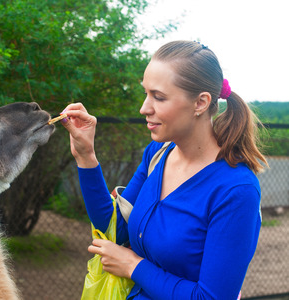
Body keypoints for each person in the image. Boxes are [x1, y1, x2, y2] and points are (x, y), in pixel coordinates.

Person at [60, 40, 267, 299]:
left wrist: (134, 267)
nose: (144, 108)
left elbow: (211, 297)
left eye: (158, 97)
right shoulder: (157, 155)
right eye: (146, 93)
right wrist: (85, 156)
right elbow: (116, 228)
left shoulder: (236, 191)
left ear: (200, 103)